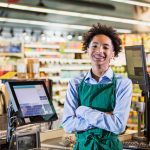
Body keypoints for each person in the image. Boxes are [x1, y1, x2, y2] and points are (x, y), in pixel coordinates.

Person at [62, 23, 132, 150]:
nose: (100, 51)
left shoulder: (123, 84)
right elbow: (68, 124)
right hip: (82, 147)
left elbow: (118, 126)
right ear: (87, 50)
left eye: (106, 47)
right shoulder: (75, 83)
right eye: (94, 46)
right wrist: (106, 117)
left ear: (113, 53)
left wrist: (82, 111)